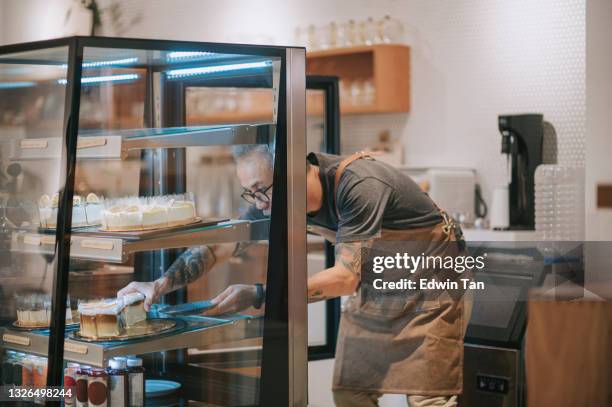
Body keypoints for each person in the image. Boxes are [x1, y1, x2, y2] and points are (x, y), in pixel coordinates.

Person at [118, 145, 471, 407]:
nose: (258, 203)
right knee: (351, 392)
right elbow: (222, 247)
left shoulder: (359, 184)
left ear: (295, 172)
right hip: (379, 285)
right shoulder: (275, 199)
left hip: (431, 282)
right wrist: (160, 284)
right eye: (251, 192)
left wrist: (261, 293)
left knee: (428, 400)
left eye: (261, 190)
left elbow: (346, 278)